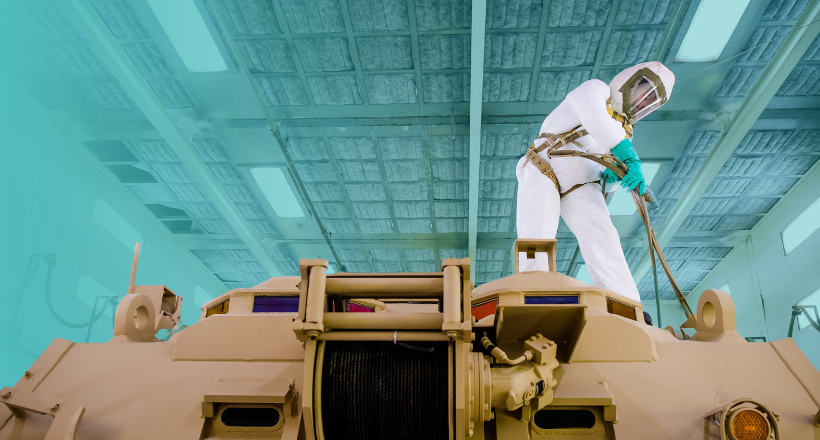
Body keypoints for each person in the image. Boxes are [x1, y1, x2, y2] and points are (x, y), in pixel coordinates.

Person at [515, 61, 675, 302]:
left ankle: (624, 301)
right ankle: (532, 293)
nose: (643, 103)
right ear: (632, 82)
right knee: (538, 232)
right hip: (543, 165)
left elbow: (604, 176)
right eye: (645, 93)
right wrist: (631, 159)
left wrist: (611, 176)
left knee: (602, 233)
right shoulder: (595, 90)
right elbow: (595, 120)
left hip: (581, 182)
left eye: (651, 102)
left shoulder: (624, 132)